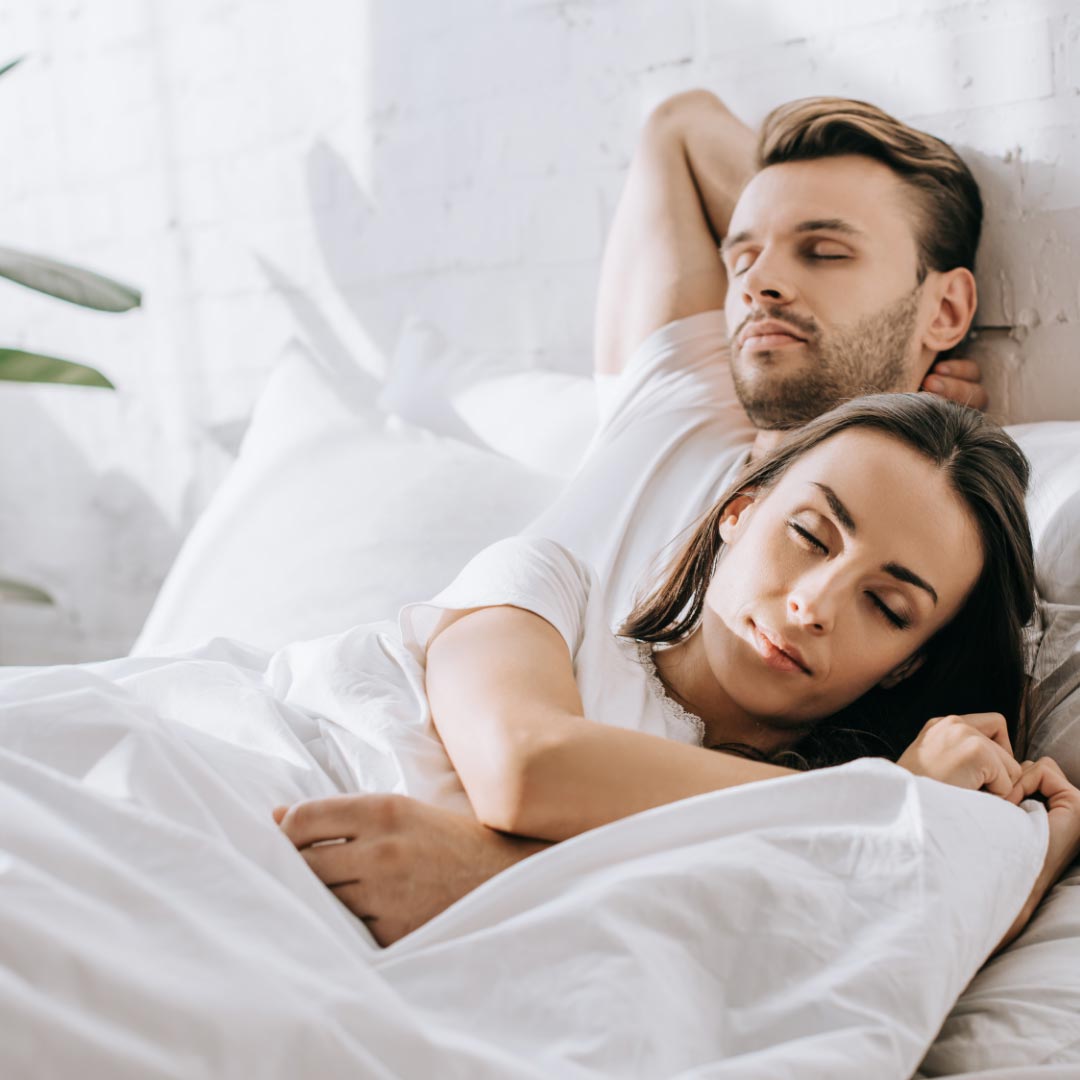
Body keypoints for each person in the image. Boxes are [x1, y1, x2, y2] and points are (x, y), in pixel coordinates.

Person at [273, 91, 1057, 945]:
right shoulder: (680, 400)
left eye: (826, 250)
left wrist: (903, 409)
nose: (760, 281)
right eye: (742, 256)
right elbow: (678, 127)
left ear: (946, 308)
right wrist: (879, 805)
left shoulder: (965, 534)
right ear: (742, 514)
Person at [273, 393, 1080, 951]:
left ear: (908, 668)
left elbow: (911, 947)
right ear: (740, 511)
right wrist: (884, 802)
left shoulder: (823, 848)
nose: (814, 604)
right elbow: (528, 767)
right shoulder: (551, 592)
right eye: (809, 533)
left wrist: (1036, 842)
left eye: (890, 607)